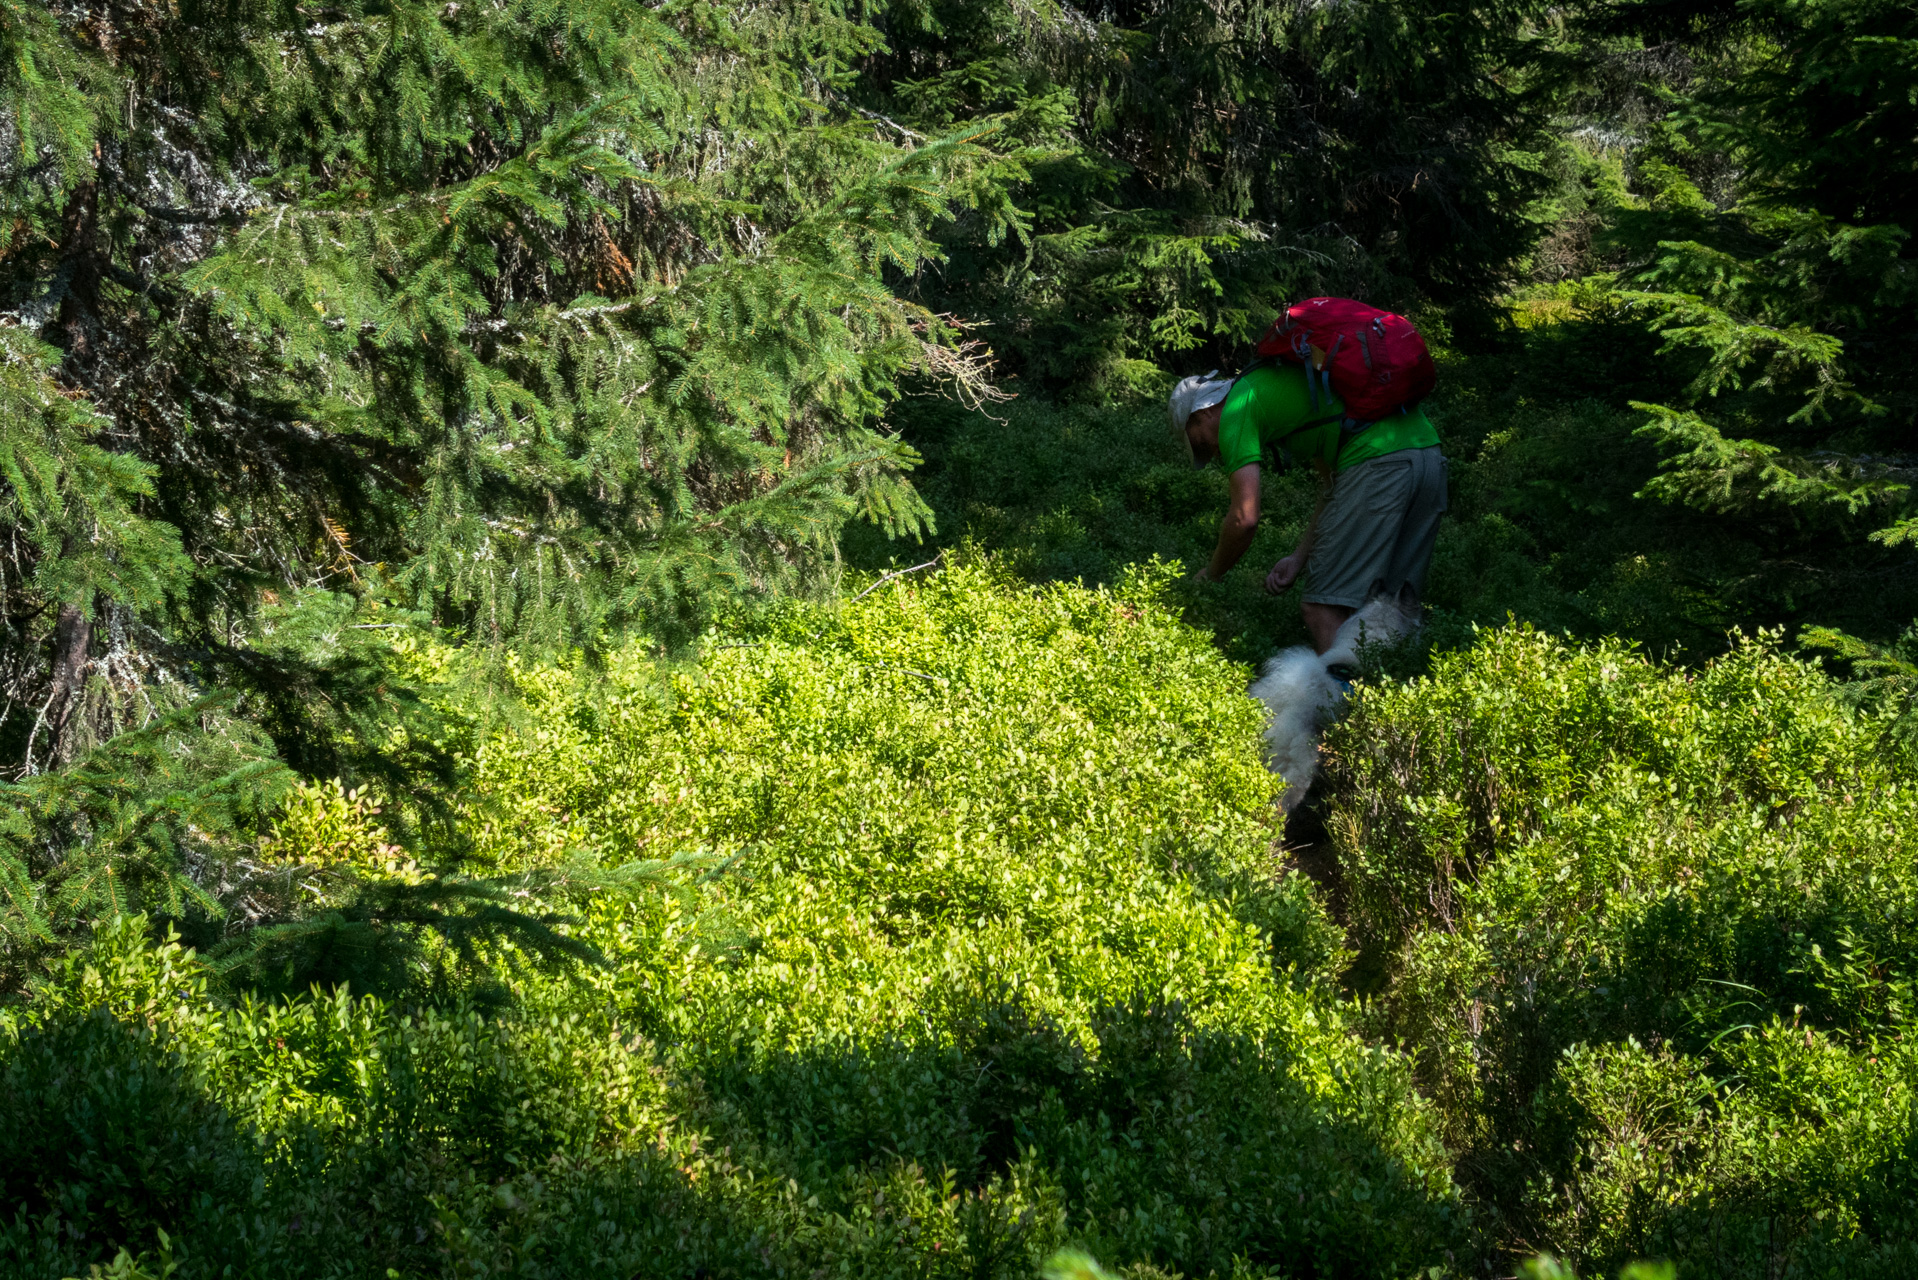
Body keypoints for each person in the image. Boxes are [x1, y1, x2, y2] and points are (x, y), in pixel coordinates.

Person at [1168, 361, 1447, 654]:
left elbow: (1244, 518)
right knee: (1395, 608)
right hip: (1428, 455)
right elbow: (1331, 488)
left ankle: (1348, 700)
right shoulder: (1286, 386)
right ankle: (1392, 695)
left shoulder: (1237, 407)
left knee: (1323, 610)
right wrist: (1299, 558)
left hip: (1380, 462)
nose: (1212, 452)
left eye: (1200, 442)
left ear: (1204, 411)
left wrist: (1211, 575)